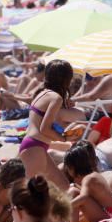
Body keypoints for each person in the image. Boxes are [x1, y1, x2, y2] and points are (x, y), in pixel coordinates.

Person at [20, 60, 76, 189]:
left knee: (63, 186)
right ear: (66, 79)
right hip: (35, 147)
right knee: (29, 194)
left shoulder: (43, 93)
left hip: (34, 145)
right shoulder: (56, 98)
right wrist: (64, 138)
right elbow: (44, 128)